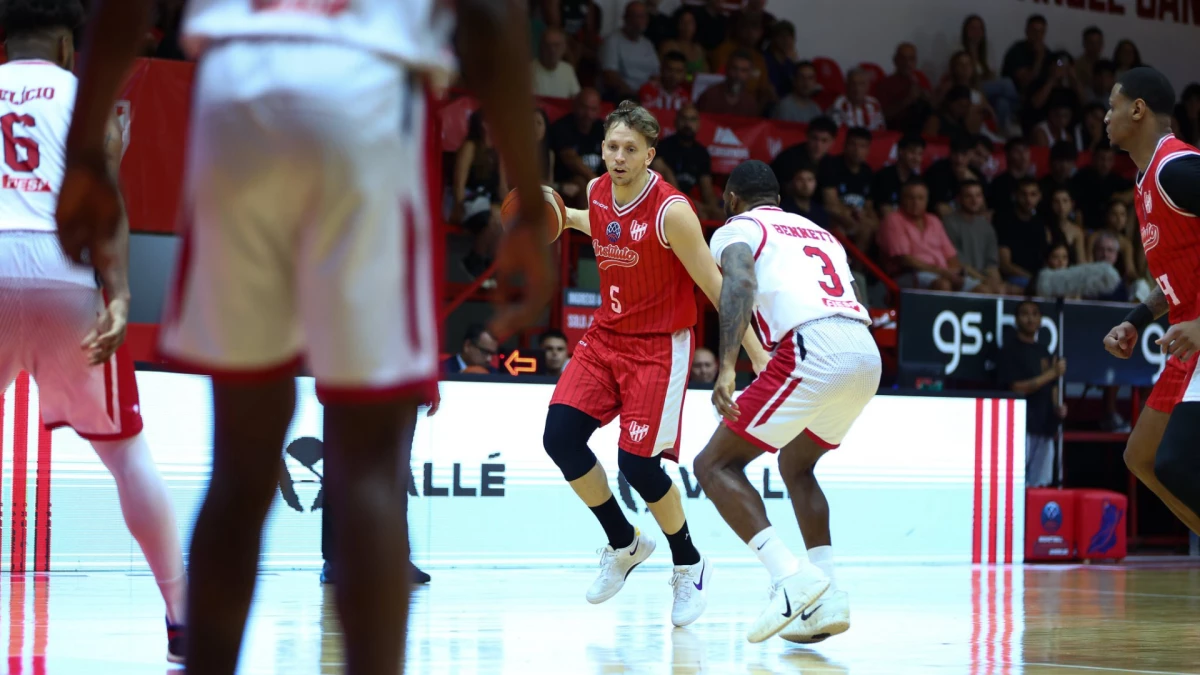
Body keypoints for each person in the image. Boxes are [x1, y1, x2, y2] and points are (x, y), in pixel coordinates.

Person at [56, 3, 556, 675]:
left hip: (237, 93)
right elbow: (491, 18)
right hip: (371, 92)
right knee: (371, 467)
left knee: (239, 461)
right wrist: (525, 195)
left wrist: (86, 150)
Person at [0, 0, 187, 662]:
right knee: (126, 453)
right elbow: (105, 199)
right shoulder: (84, 97)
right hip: (62, 270)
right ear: (63, 47)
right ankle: (182, 619)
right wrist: (123, 294)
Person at [543, 101, 766, 628]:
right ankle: (624, 543)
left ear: (650, 155)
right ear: (602, 150)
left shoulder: (673, 211)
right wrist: (558, 216)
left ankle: (689, 563)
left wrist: (755, 355)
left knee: (639, 466)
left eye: (629, 150)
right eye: (611, 147)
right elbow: (598, 223)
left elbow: (715, 285)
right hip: (605, 338)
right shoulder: (597, 192)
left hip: (659, 348)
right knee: (560, 438)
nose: (618, 157)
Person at [694, 159, 880, 644]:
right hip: (864, 351)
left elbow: (739, 283)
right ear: (777, 197)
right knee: (798, 465)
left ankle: (789, 579)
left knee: (714, 466)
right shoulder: (822, 234)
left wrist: (729, 365)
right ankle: (828, 591)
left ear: (732, 199)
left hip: (811, 348)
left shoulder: (738, 227)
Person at [1101, 67, 1200, 529]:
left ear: (1137, 109)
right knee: (1142, 456)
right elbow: (1177, 278)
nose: (1106, 116)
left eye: (1112, 105)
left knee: (1174, 462)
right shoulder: (1145, 183)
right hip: (1188, 334)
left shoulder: (1176, 168)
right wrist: (1137, 320)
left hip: (1197, 332)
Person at [998, 301, 1067, 488]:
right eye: (1025, 313)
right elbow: (1016, 388)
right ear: (1016, 319)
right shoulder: (1009, 351)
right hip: (1020, 429)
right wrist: (1052, 373)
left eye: (1035, 313)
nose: (1030, 318)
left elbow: (1053, 387)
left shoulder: (1044, 351)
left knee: (1040, 486)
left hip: (1044, 427)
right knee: (1017, 484)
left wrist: (1058, 407)